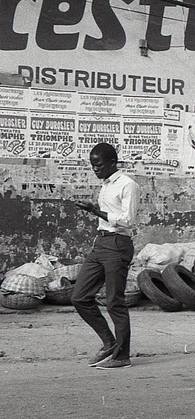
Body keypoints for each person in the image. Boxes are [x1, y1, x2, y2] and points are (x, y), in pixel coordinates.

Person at [71, 142, 139, 370]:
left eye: (99, 165)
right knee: (79, 297)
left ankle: (122, 356)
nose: (96, 169)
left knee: (114, 302)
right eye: (93, 166)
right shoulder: (106, 185)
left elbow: (128, 220)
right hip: (101, 243)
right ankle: (110, 343)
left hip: (118, 244)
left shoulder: (128, 185)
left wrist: (94, 210)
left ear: (112, 162)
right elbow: (105, 218)